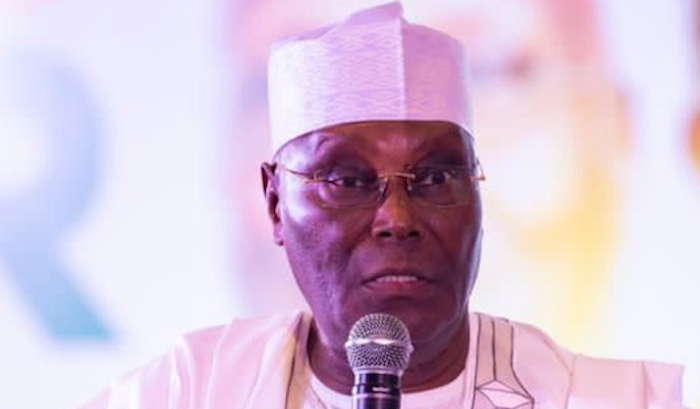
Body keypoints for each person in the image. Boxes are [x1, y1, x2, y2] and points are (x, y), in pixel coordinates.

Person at [79, 3, 686, 408]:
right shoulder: (187, 392)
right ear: (275, 202)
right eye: (346, 180)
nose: (397, 218)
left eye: (437, 176)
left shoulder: (615, 401)